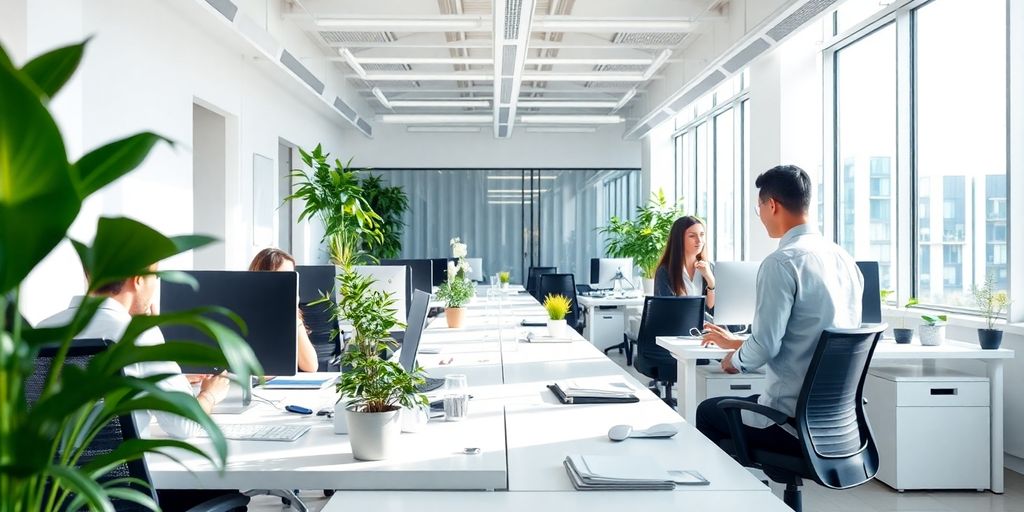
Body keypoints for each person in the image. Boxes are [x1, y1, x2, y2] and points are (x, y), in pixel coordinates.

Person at [695, 164, 863, 453]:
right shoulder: (843, 258)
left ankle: (734, 496)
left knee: (708, 411)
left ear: (771, 205)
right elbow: (810, 338)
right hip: (836, 421)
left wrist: (733, 361)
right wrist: (738, 342)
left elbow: (766, 348)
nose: (759, 215)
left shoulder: (781, 262)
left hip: (788, 421)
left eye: (758, 207)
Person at [37, 266, 231, 439]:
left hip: (52, 477)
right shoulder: (138, 334)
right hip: (120, 477)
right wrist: (209, 394)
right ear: (138, 279)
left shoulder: (42, 329)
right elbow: (184, 425)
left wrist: (157, 378)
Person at [247, 248, 319, 373]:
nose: (287, 284)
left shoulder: (292, 315)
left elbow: (311, 366)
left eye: (291, 278)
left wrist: (294, 313)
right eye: (282, 277)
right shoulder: (246, 312)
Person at [654, 215, 716, 309]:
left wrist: (710, 280)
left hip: (708, 323)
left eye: (702, 235)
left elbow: (711, 308)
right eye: (692, 236)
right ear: (679, 239)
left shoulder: (709, 267)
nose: (699, 240)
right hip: (679, 323)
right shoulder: (665, 271)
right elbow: (667, 310)